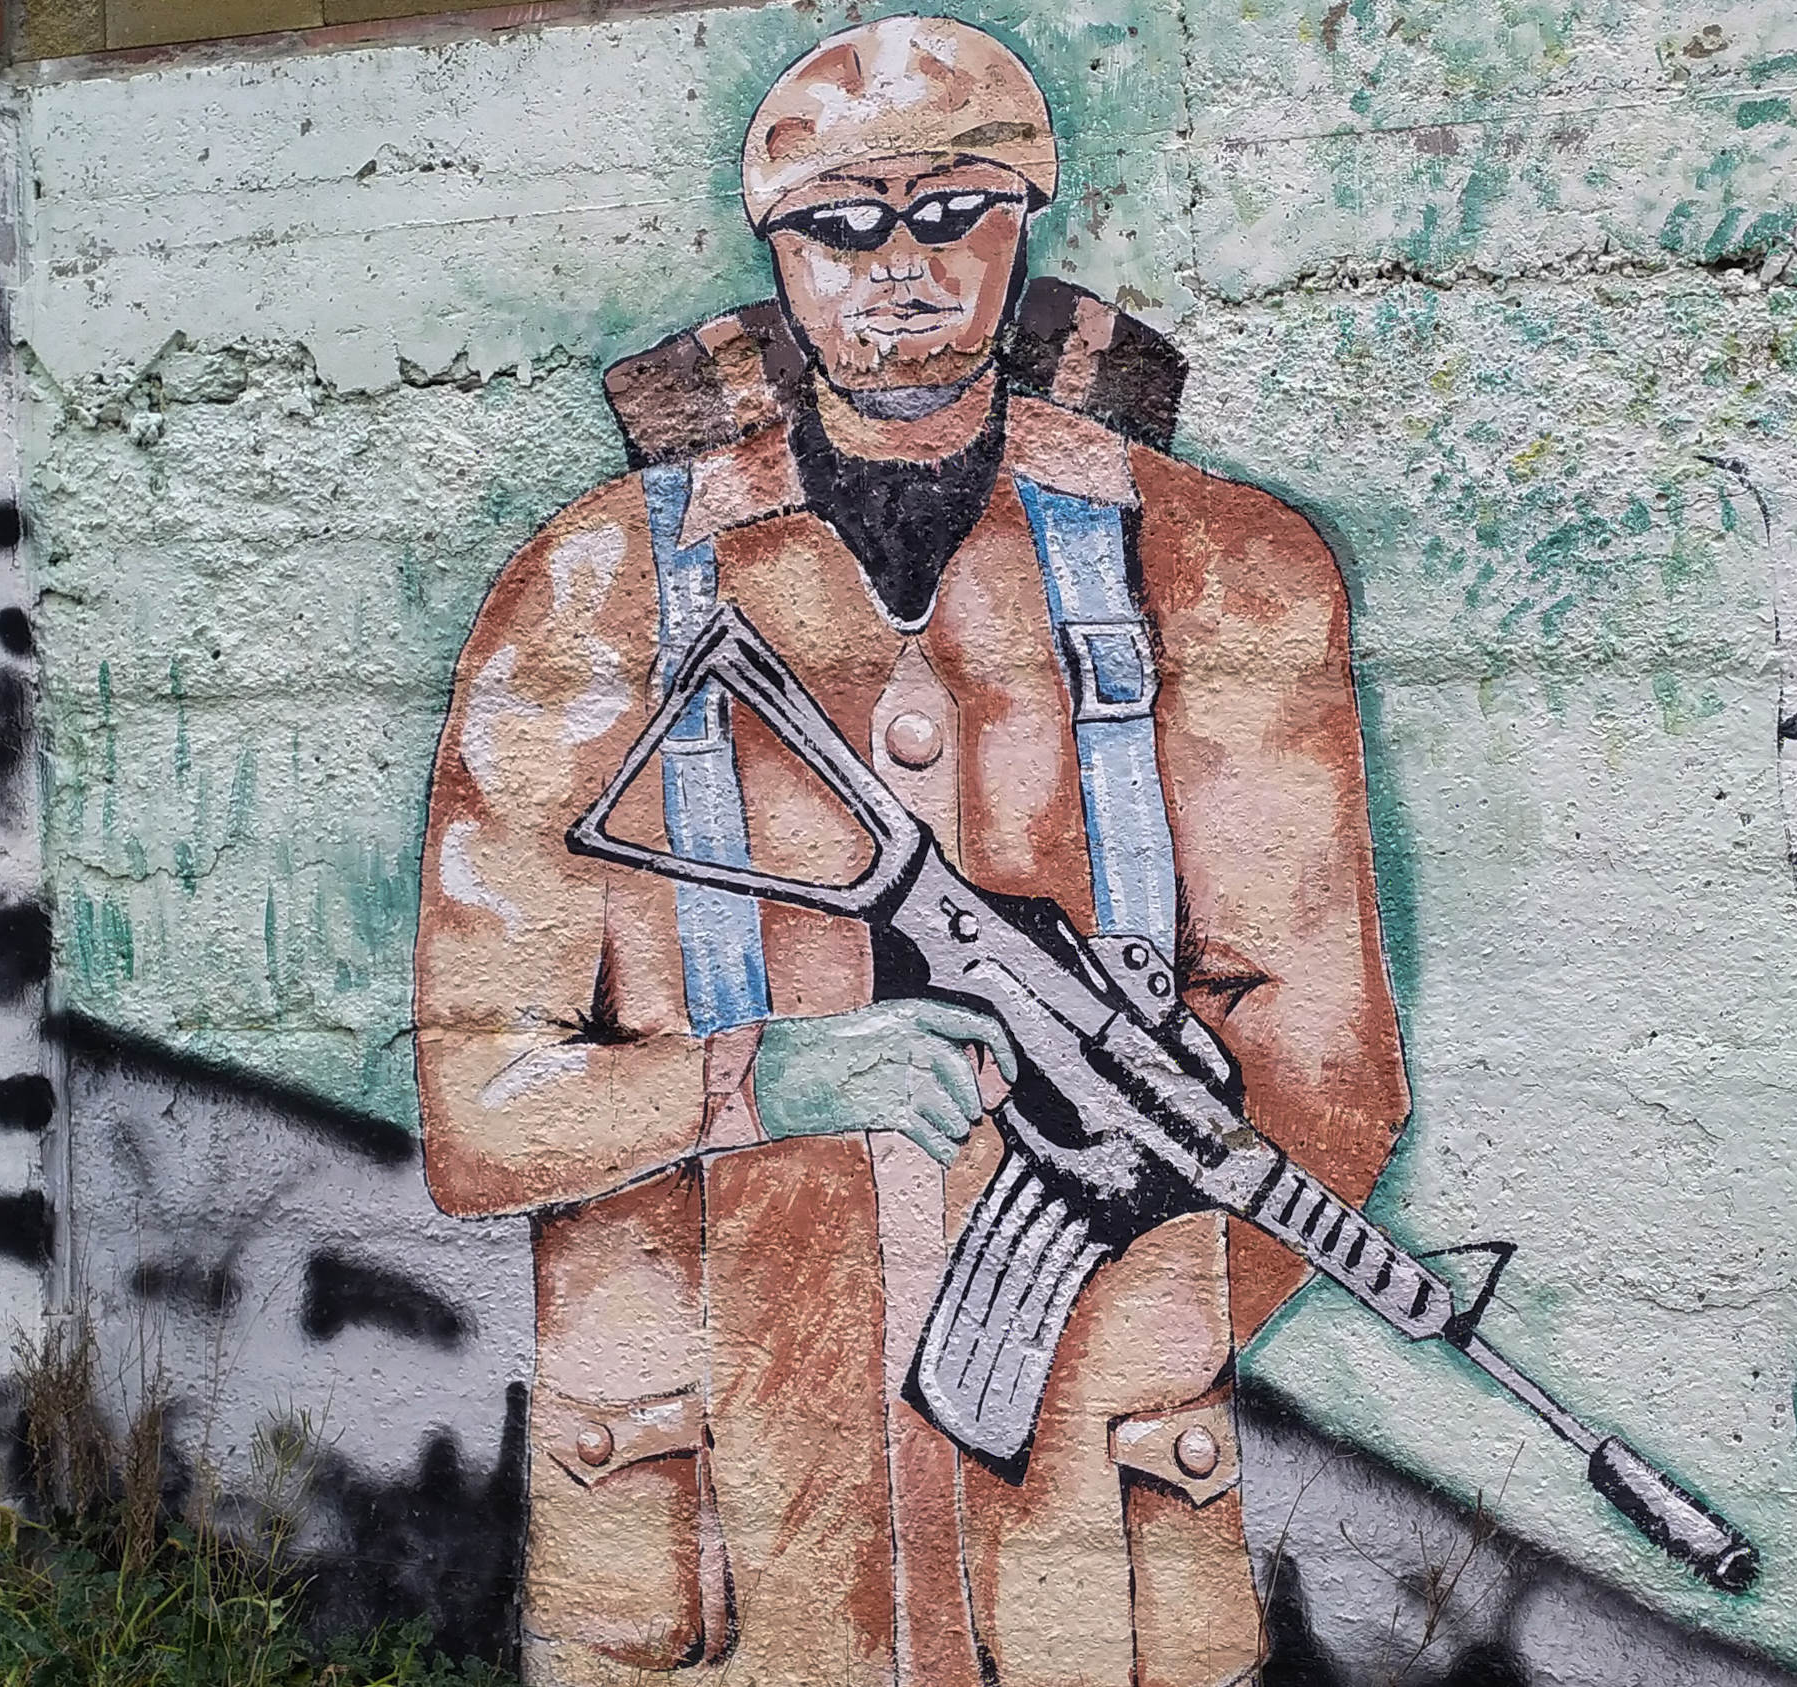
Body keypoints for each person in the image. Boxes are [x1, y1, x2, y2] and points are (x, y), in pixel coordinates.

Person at [413, 17, 1408, 1684]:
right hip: (715, 1521)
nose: (901, 270)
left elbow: (1326, 1082)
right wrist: (756, 1085)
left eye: (954, 214)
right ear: (773, 251)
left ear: (1026, 225)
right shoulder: (593, 590)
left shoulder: (1220, 566)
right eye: (841, 227)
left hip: (1086, 1537)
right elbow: (476, 1108)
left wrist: (1100, 1297)